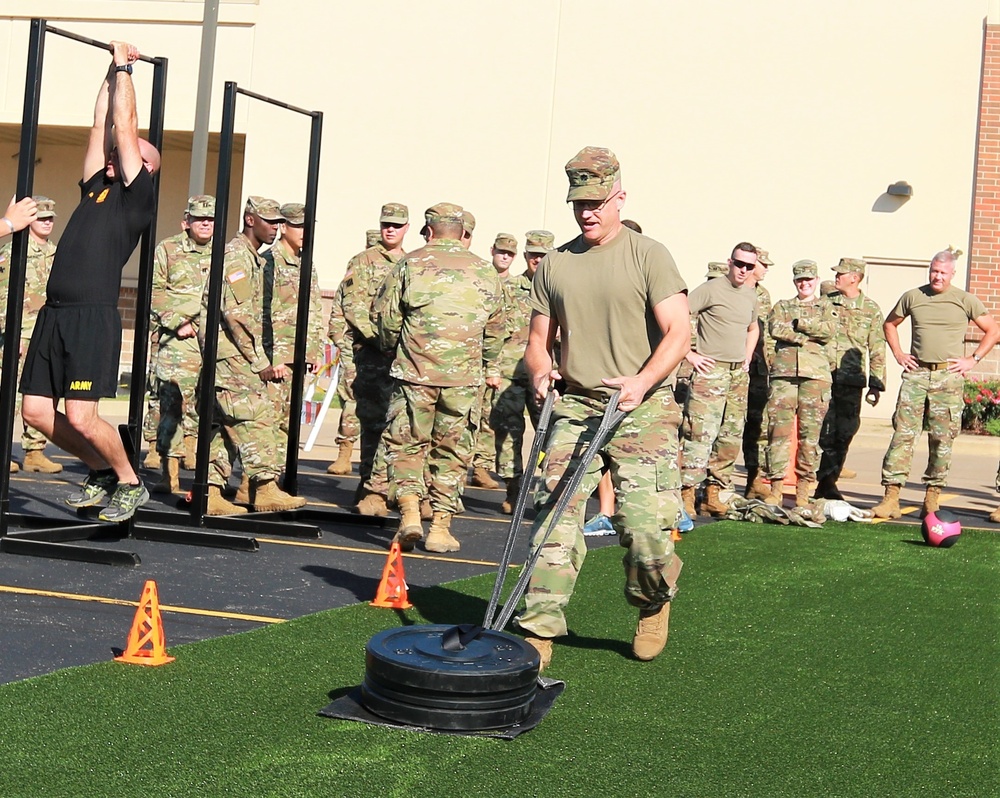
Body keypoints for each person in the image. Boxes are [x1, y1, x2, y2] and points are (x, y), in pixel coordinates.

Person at [515, 146, 689, 672]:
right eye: (577, 203)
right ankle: (538, 628)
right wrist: (541, 369)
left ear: (620, 197)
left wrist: (642, 380)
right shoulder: (556, 264)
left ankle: (652, 600)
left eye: (596, 202)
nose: (586, 212)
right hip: (578, 408)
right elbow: (536, 342)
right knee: (554, 520)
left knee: (643, 531)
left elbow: (679, 332)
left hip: (644, 409)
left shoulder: (649, 255)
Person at [20, 41, 161, 523]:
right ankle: (100, 469)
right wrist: (109, 70)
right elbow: (102, 123)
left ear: (143, 167)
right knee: (36, 413)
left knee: (82, 415)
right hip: (54, 316)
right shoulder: (94, 187)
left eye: (127, 155)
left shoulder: (135, 198)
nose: (114, 155)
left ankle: (130, 480)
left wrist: (126, 70)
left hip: (91, 318)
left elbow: (124, 128)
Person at [373, 203, 504, 553]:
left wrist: (393, 350)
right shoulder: (485, 271)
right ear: (462, 233)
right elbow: (496, 329)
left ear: (429, 232)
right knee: (452, 451)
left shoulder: (410, 264)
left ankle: (411, 514)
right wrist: (487, 366)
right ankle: (441, 528)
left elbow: (386, 319)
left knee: (406, 444)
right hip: (463, 379)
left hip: (416, 372)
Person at [873, 250, 999, 518]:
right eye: (933, 271)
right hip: (916, 375)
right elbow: (890, 325)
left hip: (948, 378)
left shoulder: (965, 300)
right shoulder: (913, 297)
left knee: (942, 440)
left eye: (942, 272)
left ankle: (931, 499)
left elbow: (993, 330)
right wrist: (898, 354)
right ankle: (891, 497)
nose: (937, 276)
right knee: (903, 436)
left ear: (952, 274)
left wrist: (972, 359)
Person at [200, 195, 306, 514]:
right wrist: (259, 360)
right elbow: (237, 314)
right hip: (231, 354)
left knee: (226, 424)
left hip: (229, 354)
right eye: (269, 221)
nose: (276, 228)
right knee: (257, 415)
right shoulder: (237, 257)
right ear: (250, 220)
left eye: (278, 222)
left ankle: (212, 491)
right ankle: (264, 487)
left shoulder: (249, 256)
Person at [679, 243, 760, 517]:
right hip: (710, 372)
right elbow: (679, 316)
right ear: (730, 262)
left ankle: (713, 493)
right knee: (699, 434)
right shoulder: (711, 289)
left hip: (737, 375)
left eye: (749, 266)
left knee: (730, 436)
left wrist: (747, 357)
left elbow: (753, 327)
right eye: (739, 264)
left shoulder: (750, 295)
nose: (743, 270)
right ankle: (687, 493)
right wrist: (689, 354)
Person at [340, 203, 409, 514]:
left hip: (402, 357)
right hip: (372, 355)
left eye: (396, 225)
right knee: (371, 421)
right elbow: (352, 306)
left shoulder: (411, 263)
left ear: (407, 228)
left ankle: (391, 487)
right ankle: (368, 485)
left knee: (399, 425)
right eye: (386, 224)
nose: (390, 230)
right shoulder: (363, 261)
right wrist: (381, 339)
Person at [148, 195, 215, 494]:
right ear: (186, 221)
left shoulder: (226, 254)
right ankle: (169, 473)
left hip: (214, 339)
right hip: (180, 339)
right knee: (173, 406)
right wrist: (177, 322)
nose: (205, 223)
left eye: (211, 219)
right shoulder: (168, 249)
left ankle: (208, 476)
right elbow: (154, 292)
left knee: (211, 408)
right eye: (199, 218)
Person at [762, 260, 836, 508]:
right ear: (795, 282)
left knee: (810, 436)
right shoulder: (782, 306)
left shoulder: (826, 306)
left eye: (809, 280)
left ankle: (804, 491)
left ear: (816, 280)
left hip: (815, 378)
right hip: (783, 377)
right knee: (777, 434)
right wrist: (804, 338)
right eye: (800, 280)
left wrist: (799, 324)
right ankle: (776, 488)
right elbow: (775, 329)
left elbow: (828, 330)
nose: (805, 284)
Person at [0, 196, 63, 474]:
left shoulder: (58, 253)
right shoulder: (14, 252)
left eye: (50, 218)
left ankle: (35, 451)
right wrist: (10, 333)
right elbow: (3, 297)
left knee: (42, 393)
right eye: (41, 217)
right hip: (19, 335)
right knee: (8, 395)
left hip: (46, 334)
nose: (47, 222)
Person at [815, 258, 886, 500]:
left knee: (844, 432)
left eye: (841, 273)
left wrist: (876, 384)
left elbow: (877, 346)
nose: (836, 276)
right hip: (822, 377)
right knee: (819, 432)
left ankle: (830, 480)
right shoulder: (825, 303)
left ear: (854, 277)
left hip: (850, 381)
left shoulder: (870, 308)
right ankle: (819, 480)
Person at [261, 202, 325, 465]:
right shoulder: (268, 263)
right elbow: (261, 313)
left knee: (289, 423)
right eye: (298, 225)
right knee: (268, 423)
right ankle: (255, 481)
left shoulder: (305, 264)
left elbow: (314, 310)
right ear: (283, 227)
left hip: (299, 358)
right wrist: (268, 358)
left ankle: (277, 477)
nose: (304, 231)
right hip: (276, 359)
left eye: (307, 226)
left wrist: (315, 350)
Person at [469, 233, 519, 492]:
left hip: (500, 363)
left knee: (490, 419)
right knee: (468, 418)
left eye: (509, 254)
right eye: (500, 251)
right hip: (473, 360)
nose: (504, 256)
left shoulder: (517, 287)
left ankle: (481, 466)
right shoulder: (480, 278)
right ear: (492, 250)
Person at [743, 247, 774, 499]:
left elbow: (767, 336)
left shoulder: (763, 295)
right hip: (733, 364)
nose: (766, 270)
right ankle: (711, 486)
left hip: (758, 370)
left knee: (757, 426)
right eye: (764, 265)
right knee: (726, 428)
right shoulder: (732, 288)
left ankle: (754, 478)